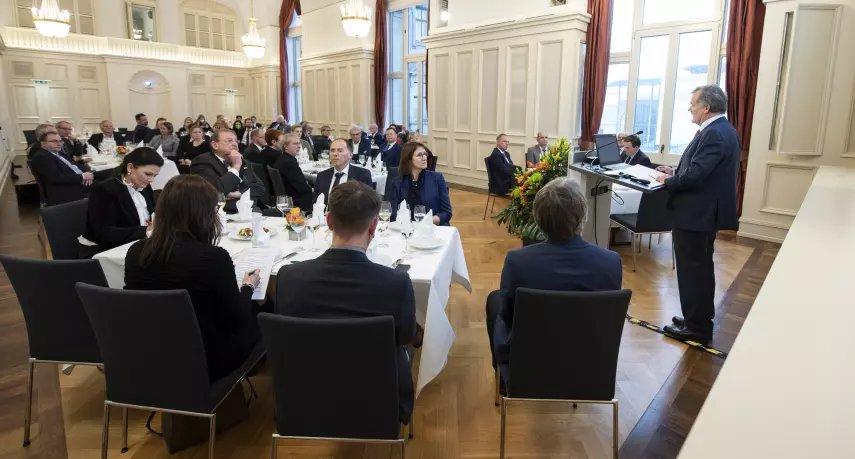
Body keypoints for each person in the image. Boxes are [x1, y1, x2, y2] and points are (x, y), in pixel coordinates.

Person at [275, 180, 416, 423]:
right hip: (379, 403)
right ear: (373, 226)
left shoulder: (288, 277)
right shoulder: (396, 282)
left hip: (306, 400)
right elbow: (405, 337)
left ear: (329, 221)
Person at [124, 175, 262, 382]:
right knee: (264, 311)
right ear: (203, 214)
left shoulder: (136, 252)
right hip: (207, 361)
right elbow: (237, 319)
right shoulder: (213, 258)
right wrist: (248, 287)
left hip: (150, 354)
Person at [485, 177, 622, 375]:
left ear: (538, 217)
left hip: (531, 365)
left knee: (495, 300)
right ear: (583, 216)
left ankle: (504, 378)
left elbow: (507, 315)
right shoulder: (611, 262)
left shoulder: (518, 262)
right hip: (589, 365)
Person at [655, 85, 739, 344]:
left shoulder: (714, 133)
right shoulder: (721, 130)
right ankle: (696, 318)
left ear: (706, 108)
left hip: (696, 215)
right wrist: (674, 172)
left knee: (693, 271)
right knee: (700, 269)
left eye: (693, 105)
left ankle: (697, 328)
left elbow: (696, 176)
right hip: (701, 214)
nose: (690, 109)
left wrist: (667, 181)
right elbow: (700, 170)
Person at [80, 147, 163, 257]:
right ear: (130, 167)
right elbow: (103, 233)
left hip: (135, 244)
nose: (152, 180)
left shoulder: (144, 186)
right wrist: (145, 230)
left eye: (155, 175)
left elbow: (151, 213)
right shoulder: (104, 189)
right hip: (104, 251)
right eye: (148, 174)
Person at [191, 129, 267, 205]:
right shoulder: (202, 161)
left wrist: (238, 194)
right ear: (215, 145)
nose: (234, 144)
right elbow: (216, 191)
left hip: (249, 207)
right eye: (229, 141)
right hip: (223, 210)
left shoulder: (242, 161)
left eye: (236, 141)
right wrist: (236, 167)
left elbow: (260, 188)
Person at [388, 142, 452, 226]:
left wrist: (427, 221)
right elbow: (393, 214)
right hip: (406, 228)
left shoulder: (437, 178)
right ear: (409, 159)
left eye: (425, 154)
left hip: (433, 228)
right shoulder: (397, 183)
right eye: (419, 155)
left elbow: (447, 212)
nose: (424, 158)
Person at [29, 131, 94, 205]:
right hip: (67, 188)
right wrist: (82, 177)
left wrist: (89, 173)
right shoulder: (42, 157)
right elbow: (56, 178)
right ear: (43, 143)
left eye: (60, 141)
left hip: (77, 180)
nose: (59, 144)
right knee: (103, 186)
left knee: (104, 175)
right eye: (54, 141)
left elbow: (73, 165)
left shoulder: (58, 153)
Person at [313, 138, 373, 205]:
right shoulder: (322, 176)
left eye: (340, 151)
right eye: (332, 150)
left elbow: (368, 204)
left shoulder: (362, 175)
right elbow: (315, 202)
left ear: (350, 155)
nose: (335, 154)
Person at [274, 133, 313, 211]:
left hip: (288, 197)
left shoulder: (283, 158)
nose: (299, 146)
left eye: (299, 143)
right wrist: (314, 190)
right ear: (286, 146)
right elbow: (302, 187)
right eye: (295, 143)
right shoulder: (289, 163)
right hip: (296, 200)